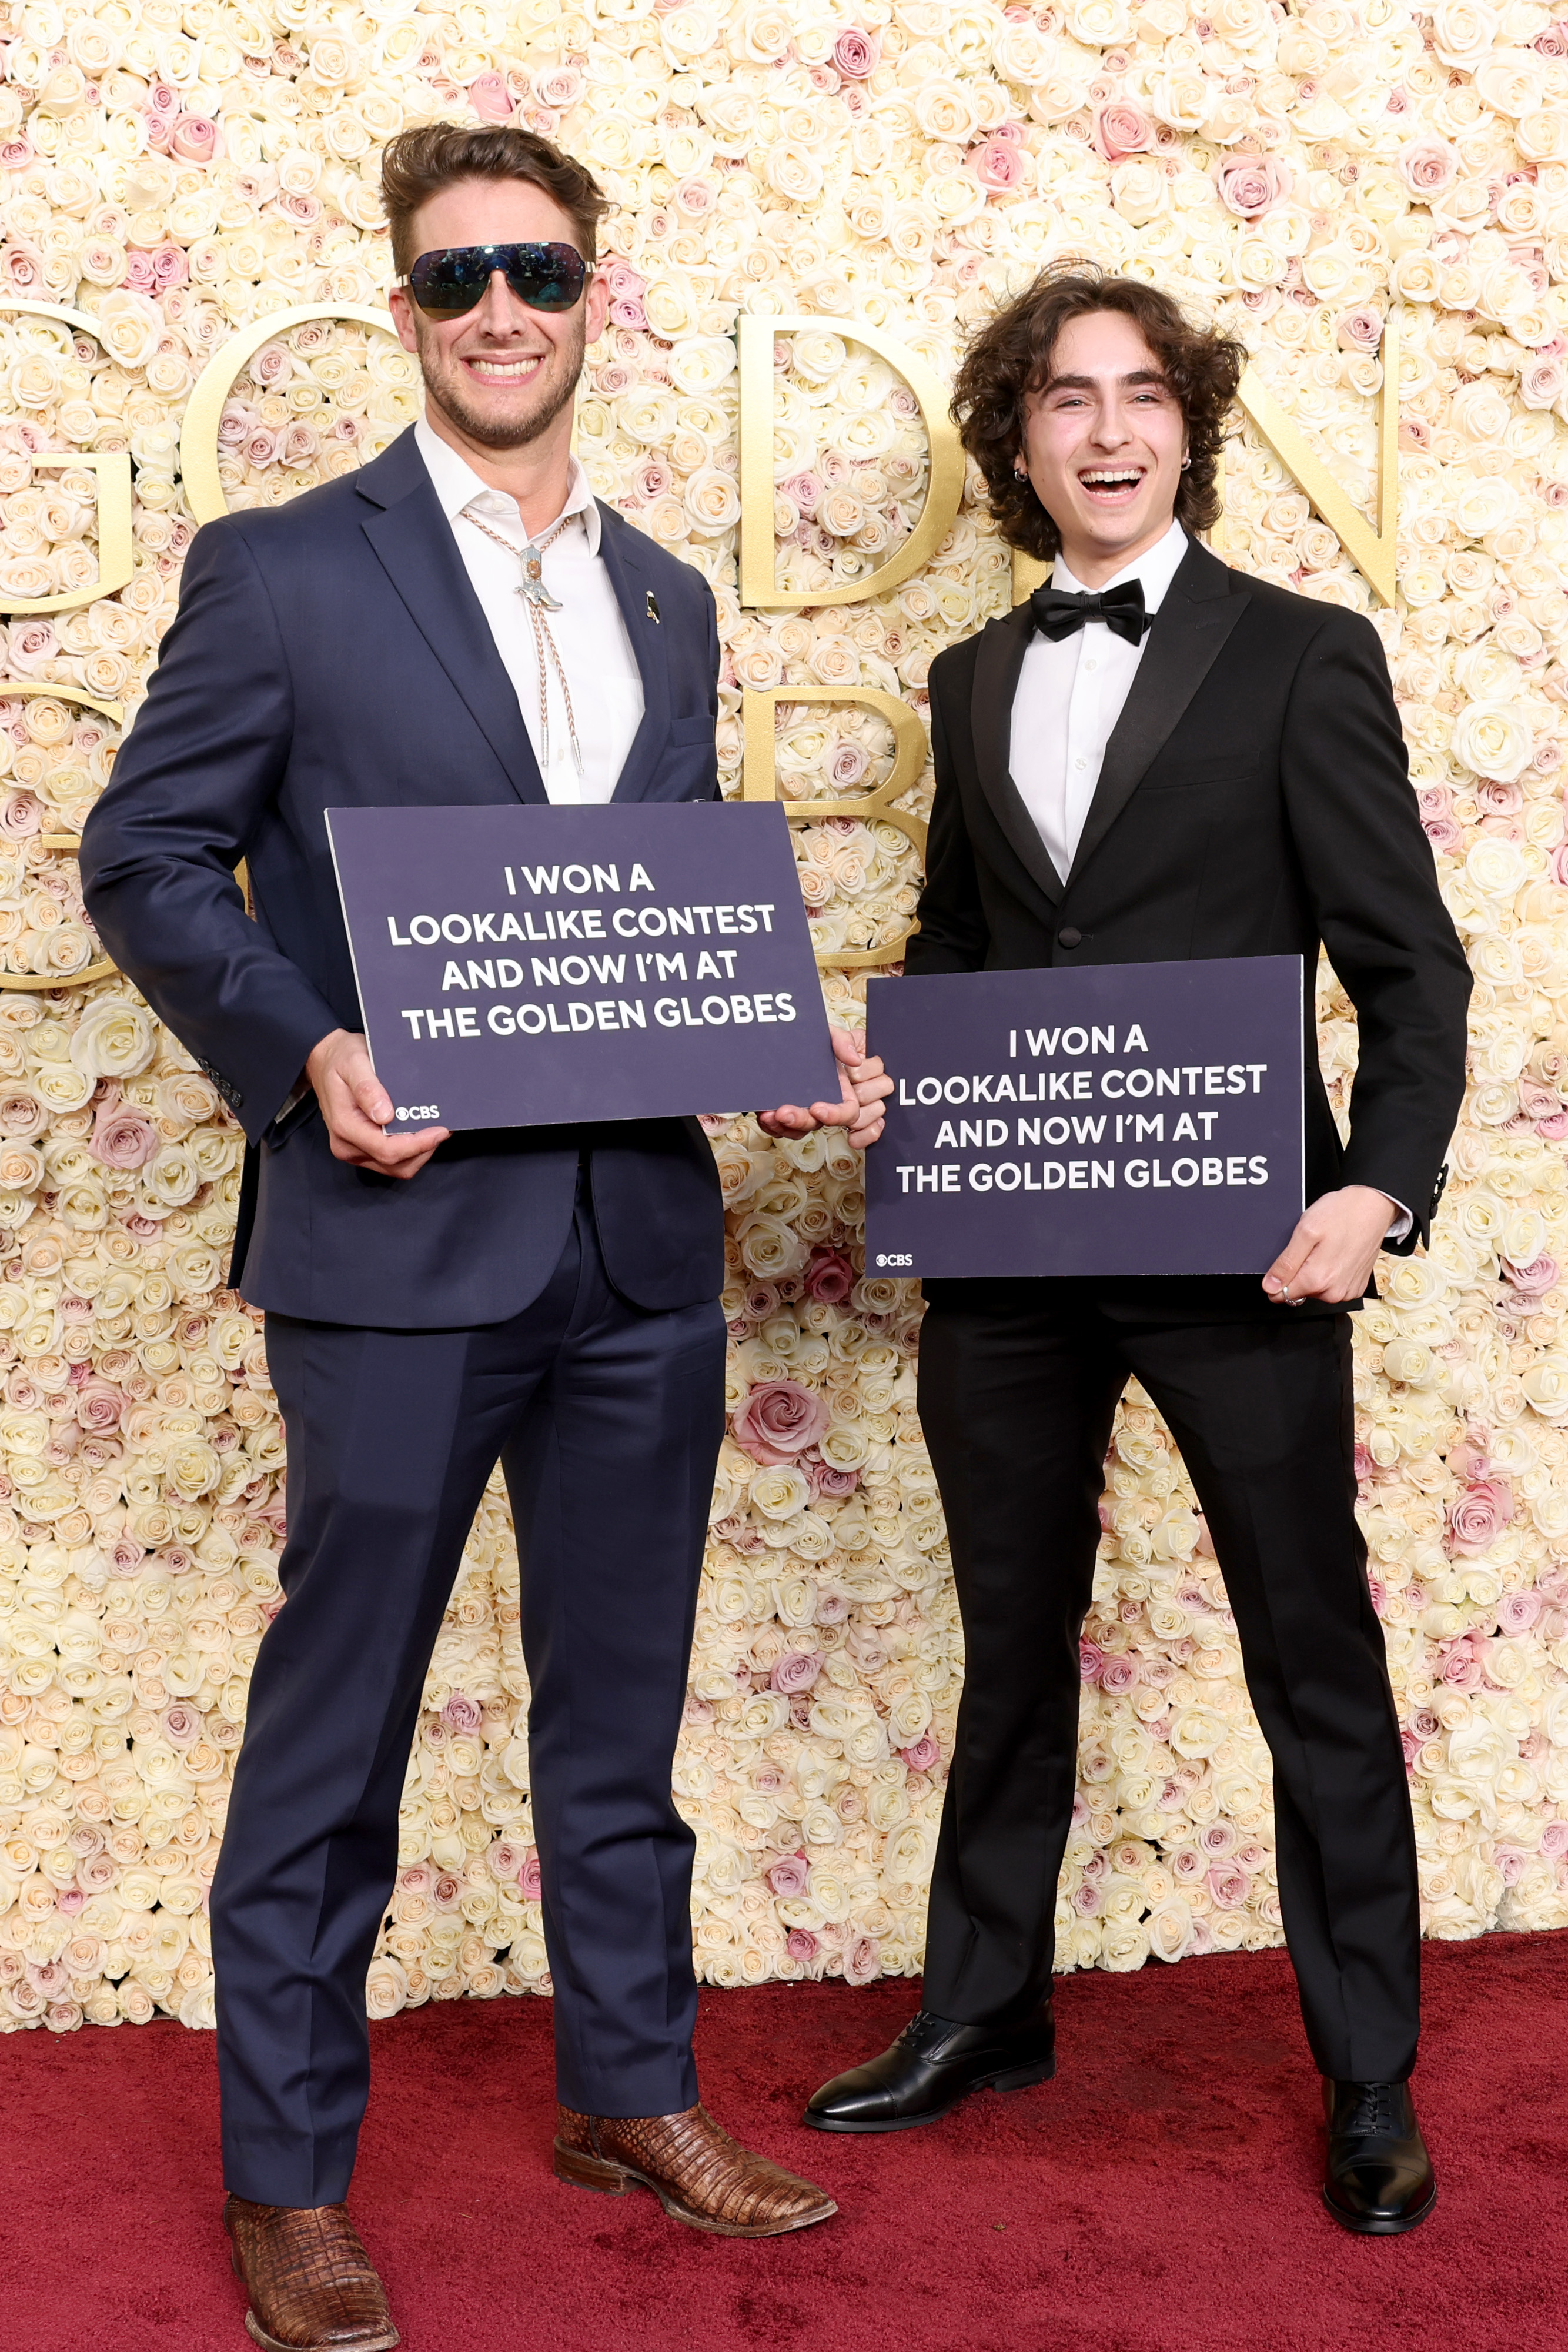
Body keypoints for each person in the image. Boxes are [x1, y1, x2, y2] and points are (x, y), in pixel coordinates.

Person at [82, 122, 890, 2352]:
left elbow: (638, 928)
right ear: (403, 306)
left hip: (639, 1241)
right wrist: (301, 1050)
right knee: (333, 1732)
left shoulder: (666, 598)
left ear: (592, 291)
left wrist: (786, 1044)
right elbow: (146, 859)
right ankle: (288, 2180)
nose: (502, 307)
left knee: (616, 1719)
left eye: (536, 268)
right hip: (390, 1246)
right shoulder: (280, 569)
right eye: (457, 279)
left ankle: (631, 2090)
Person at [804, 266, 1470, 2237]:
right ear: (1015, 444)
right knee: (1007, 1650)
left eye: (1141, 395)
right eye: (1064, 402)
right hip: (1006, 1253)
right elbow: (965, 949)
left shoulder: (1299, 652)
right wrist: (885, 1070)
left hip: (1250, 1248)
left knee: (1312, 1659)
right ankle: (984, 2008)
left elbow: (1410, 966)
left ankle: (1370, 2075)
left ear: (1188, 424)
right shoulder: (973, 680)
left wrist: (1377, 1187)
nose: (1105, 432)